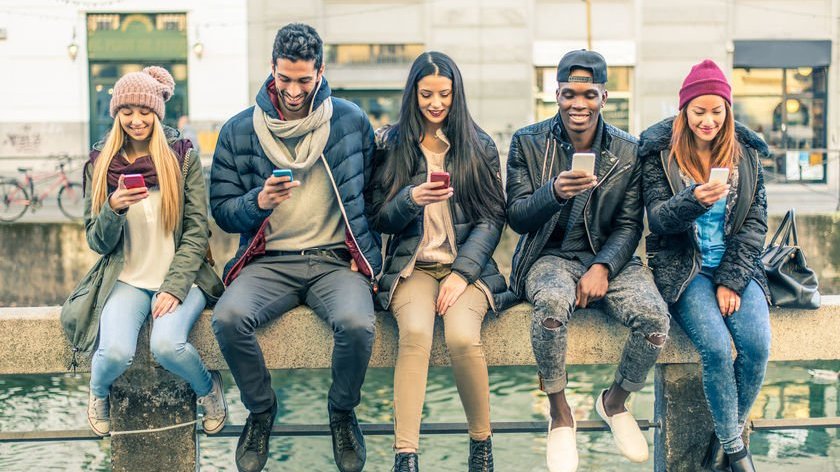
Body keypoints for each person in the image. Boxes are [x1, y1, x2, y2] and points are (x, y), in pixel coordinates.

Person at [209, 23, 381, 472]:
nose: (293, 90)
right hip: (268, 261)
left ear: (321, 72)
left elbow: (374, 195)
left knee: (358, 325)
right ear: (272, 69)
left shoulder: (350, 120)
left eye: (304, 80)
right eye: (284, 79)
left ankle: (342, 412)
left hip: (334, 261)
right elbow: (223, 212)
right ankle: (261, 410)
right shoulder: (239, 130)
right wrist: (257, 202)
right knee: (227, 318)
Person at [505, 50, 670, 472]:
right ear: (556, 94)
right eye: (568, 94)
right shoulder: (527, 141)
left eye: (588, 94)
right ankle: (560, 413)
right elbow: (517, 218)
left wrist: (603, 267)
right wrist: (554, 192)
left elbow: (632, 224)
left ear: (604, 96)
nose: (578, 104)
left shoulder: (628, 150)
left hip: (607, 259)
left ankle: (615, 402)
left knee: (655, 319)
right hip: (548, 256)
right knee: (551, 308)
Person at [368, 51, 515, 472]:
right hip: (413, 265)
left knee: (463, 338)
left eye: (444, 94)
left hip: (464, 267)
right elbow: (377, 216)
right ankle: (406, 454)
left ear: (456, 94)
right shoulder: (391, 144)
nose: (436, 103)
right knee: (414, 333)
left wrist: (464, 273)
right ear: (413, 93)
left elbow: (493, 217)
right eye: (427, 94)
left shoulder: (478, 145)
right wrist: (410, 199)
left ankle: (481, 445)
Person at [63, 66, 226, 438]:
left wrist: (172, 287)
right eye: (127, 111)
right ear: (116, 113)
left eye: (144, 111)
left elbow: (198, 230)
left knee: (167, 345)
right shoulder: (100, 162)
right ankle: (98, 392)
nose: (136, 120)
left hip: (181, 278)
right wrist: (114, 208)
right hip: (127, 279)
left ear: (157, 112)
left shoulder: (181, 157)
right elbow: (97, 242)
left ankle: (208, 389)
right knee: (115, 352)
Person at [639, 59, 770, 472]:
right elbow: (657, 219)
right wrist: (693, 199)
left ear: (728, 111)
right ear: (684, 111)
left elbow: (755, 222)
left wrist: (732, 280)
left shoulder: (746, 155)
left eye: (717, 111)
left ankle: (722, 437)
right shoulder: (659, 154)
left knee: (756, 346)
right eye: (699, 111)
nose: (708, 120)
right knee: (714, 347)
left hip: (735, 267)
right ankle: (735, 450)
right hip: (684, 269)